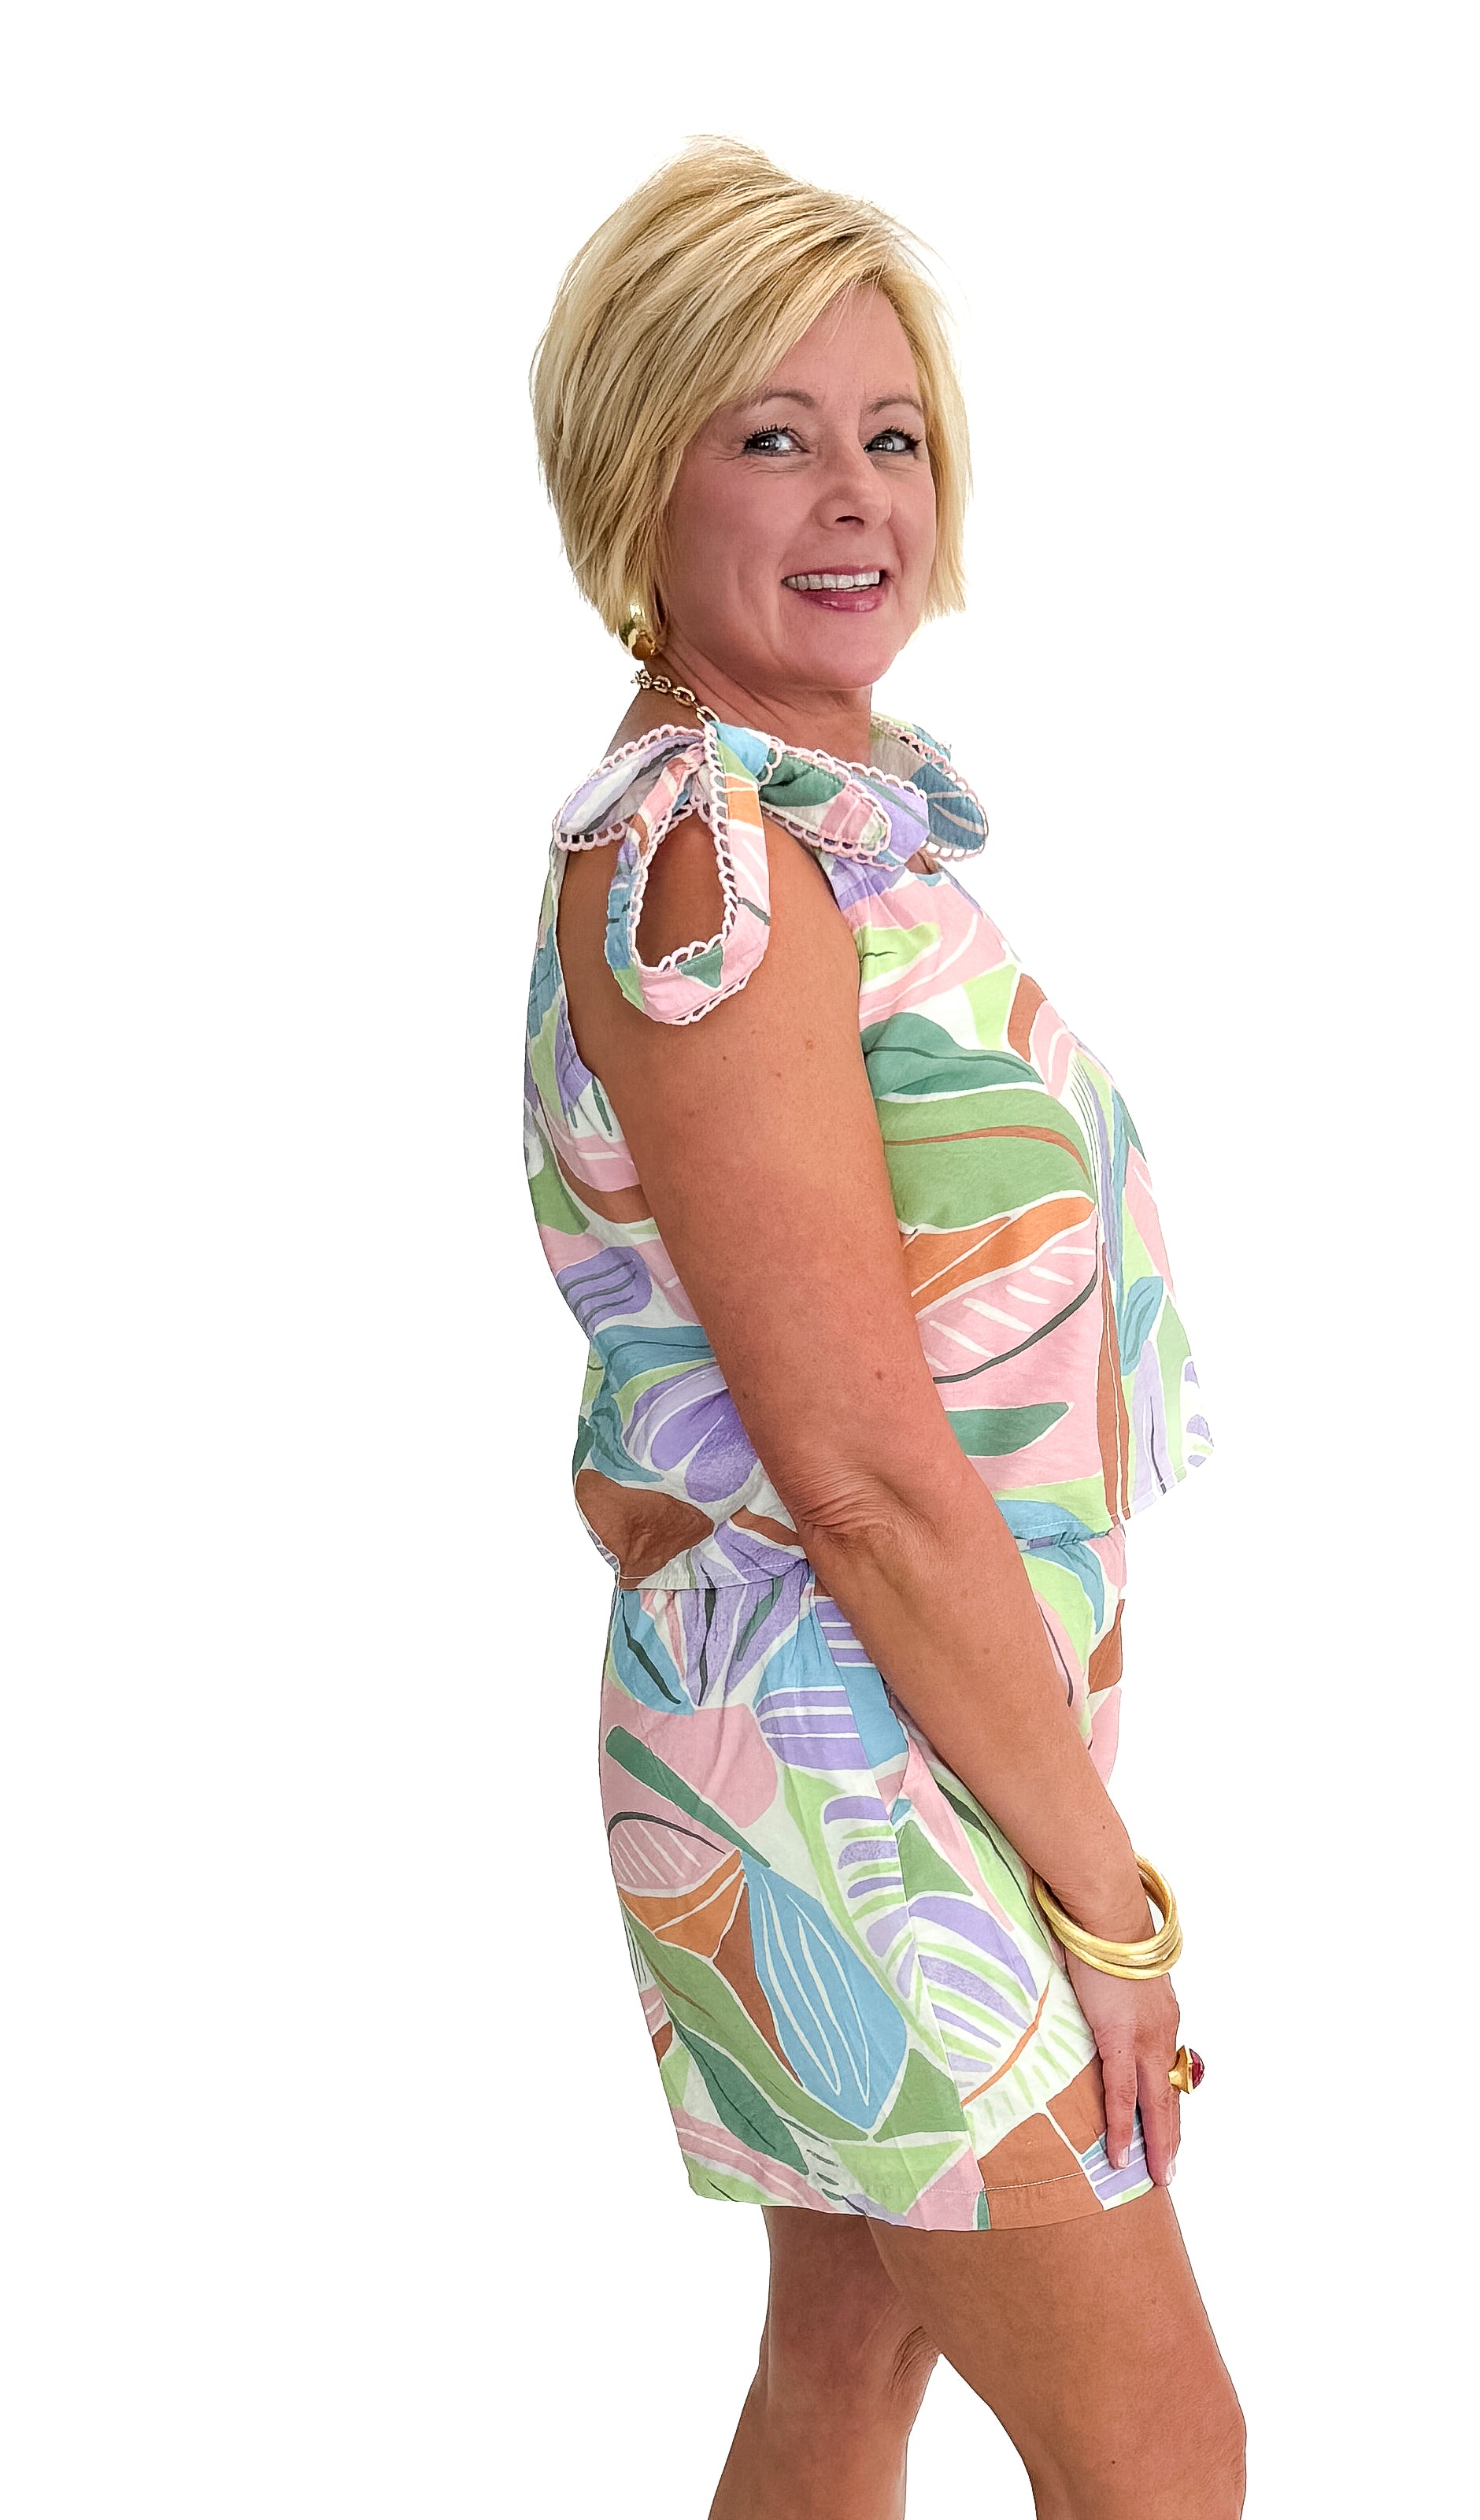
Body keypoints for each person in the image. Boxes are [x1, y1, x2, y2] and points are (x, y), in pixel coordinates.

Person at [524, 139, 1245, 2520]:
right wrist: (1109, 1906)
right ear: (639, 472)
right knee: (1157, 2452)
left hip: (886, 1724)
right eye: (772, 433)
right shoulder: (711, 864)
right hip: (864, 1766)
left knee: (843, 2384)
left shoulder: (810, 830)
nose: (856, 497)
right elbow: (853, 1463)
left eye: (893, 433)